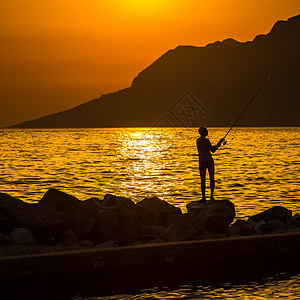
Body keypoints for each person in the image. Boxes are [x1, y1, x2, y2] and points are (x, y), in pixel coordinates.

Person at [197, 127, 224, 203]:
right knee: (211, 179)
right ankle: (211, 197)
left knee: (203, 180)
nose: (207, 132)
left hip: (201, 162)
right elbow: (213, 150)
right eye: (206, 131)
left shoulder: (198, 141)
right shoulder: (206, 141)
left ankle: (203, 198)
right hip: (209, 161)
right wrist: (219, 143)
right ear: (204, 132)